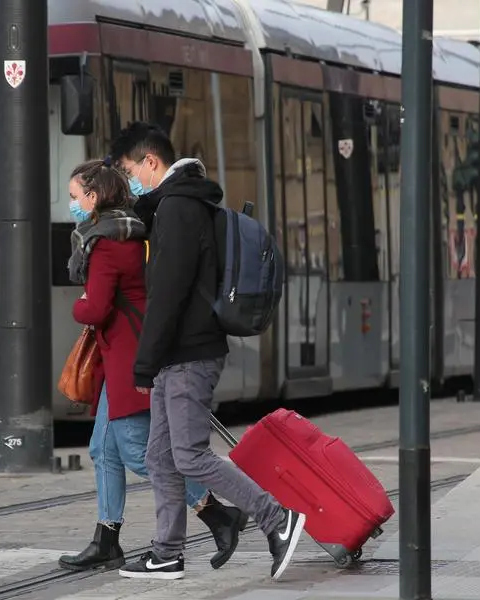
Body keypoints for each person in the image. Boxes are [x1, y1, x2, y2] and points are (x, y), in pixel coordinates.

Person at [109, 122, 307, 581]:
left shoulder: (178, 209)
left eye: (129, 170)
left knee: (190, 454)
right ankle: (167, 552)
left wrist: (145, 360)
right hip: (178, 354)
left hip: (188, 354)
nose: (129, 181)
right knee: (161, 455)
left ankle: (277, 519)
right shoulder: (178, 204)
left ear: (151, 162)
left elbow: (169, 293)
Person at [58, 158, 248, 574]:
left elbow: (96, 307)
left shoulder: (106, 243)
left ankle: (218, 512)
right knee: (103, 449)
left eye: (74, 197)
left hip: (128, 354)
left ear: (92, 198)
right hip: (120, 353)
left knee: (145, 455)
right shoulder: (126, 232)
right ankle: (107, 539)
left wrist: (77, 307)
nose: (71, 204)